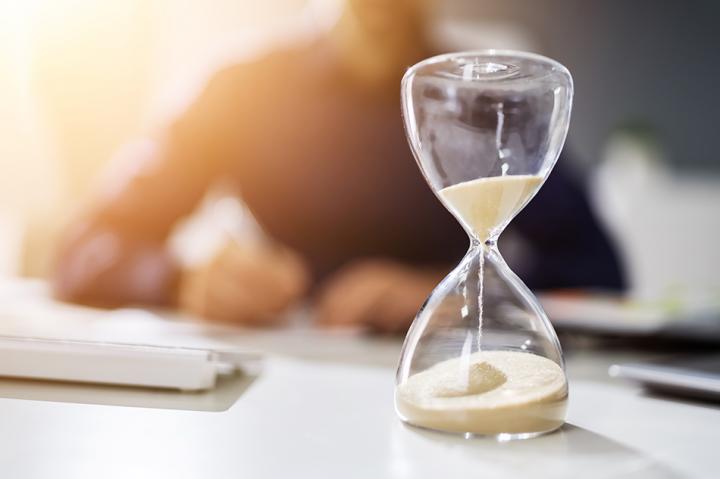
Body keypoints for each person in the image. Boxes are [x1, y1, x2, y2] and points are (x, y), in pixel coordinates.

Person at [51, 0, 624, 333]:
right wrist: (181, 279)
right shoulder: (242, 88)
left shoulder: (487, 101)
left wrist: (463, 294)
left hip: (443, 355)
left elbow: (600, 271)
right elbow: (84, 243)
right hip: (276, 359)